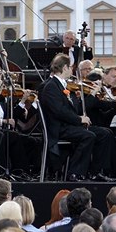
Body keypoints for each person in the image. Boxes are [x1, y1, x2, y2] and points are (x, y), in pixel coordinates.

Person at [38, 53, 98, 181]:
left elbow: (69, 108)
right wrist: (79, 119)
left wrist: (75, 100)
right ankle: (74, 172)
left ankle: (92, 171)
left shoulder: (62, 85)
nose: (72, 70)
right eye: (71, 67)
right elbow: (59, 111)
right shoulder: (51, 86)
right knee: (88, 136)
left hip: (66, 125)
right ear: (64, 67)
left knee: (101, 133)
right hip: (58, 128)